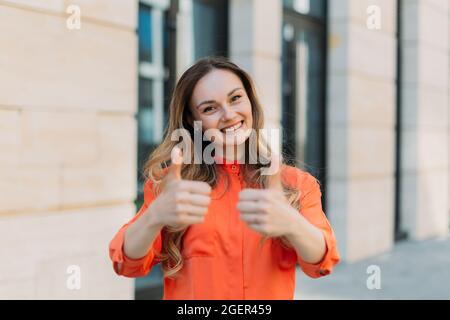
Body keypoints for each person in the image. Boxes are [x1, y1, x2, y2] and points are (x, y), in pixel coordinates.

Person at [109, 57, 340, 299]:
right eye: (210, 108)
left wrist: (292, 223)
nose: (228, 114)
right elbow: (126, 263)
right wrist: (154, 216)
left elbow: (322, 261)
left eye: (235, 98)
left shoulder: (295, 183)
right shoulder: (173, 187)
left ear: (250, 101)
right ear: (193, 120)